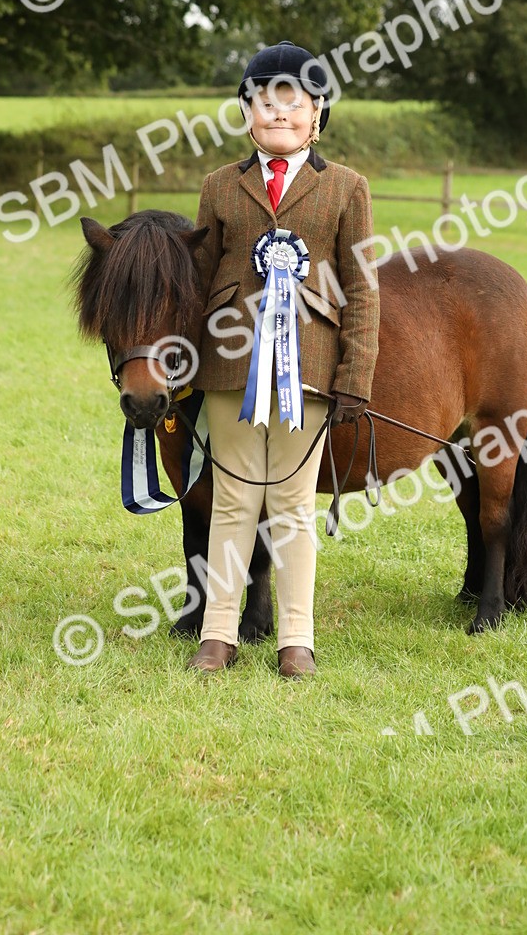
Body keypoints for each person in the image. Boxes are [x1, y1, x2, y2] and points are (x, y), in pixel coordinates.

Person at [186, 40, 380, 679]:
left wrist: (355, 375)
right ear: (246, 111)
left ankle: (296, 638)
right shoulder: (219, 186)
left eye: (293, 102)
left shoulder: (347, 188)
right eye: (264, 101)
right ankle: (218, 633)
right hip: (229, 367)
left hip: (312, 369)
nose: (279, 112)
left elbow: (362, 289)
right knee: (233, 500)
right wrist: (183, 360)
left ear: (317, 113)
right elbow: (198, 279)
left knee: (295, 505)